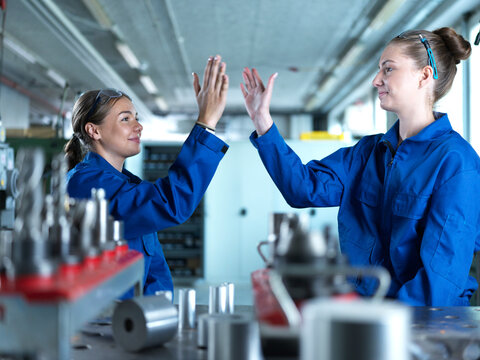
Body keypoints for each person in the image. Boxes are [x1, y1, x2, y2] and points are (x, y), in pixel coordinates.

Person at [241, 27, 480, 306]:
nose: (376, 80)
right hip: (364, 313)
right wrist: (262, 122)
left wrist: (382, 327)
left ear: (424, 76)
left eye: (388, 69)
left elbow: (438, 284)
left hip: (425, 326)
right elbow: (303, 189)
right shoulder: (368, 152)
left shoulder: (455, 163)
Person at [65, 55, 229, 298]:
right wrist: (205, 124)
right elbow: (171, 203)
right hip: (103, 324)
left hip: (135, 322)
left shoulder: (126, 185)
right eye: (125, 119)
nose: (138, 126)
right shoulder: (87, 185)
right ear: (94, 130)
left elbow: (154, 272)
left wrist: (159, 315)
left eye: (136, 118)